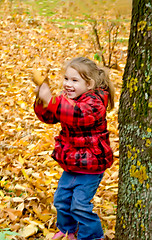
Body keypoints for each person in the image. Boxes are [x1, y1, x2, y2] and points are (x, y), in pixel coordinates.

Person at [34, 57, 115, 240]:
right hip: (72, 163)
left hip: (90, 166)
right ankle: (69, 230)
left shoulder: (95, 103)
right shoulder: (68, 101)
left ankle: (92, 236)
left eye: (74, 80)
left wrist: (52, 100)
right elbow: (50, 117)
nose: (68, 84)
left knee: (80, 205)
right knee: (61, 201)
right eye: (66, 79)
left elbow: (77, 115)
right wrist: (43, 102)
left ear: (89, 84)